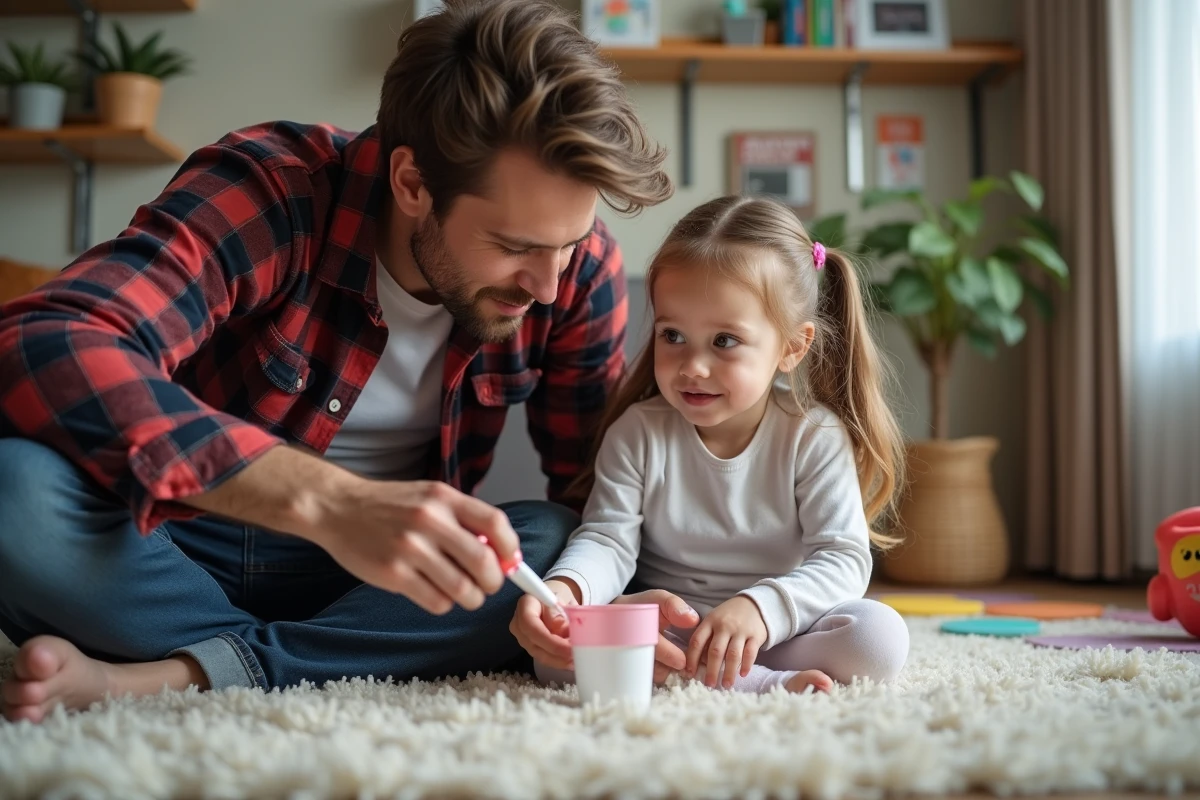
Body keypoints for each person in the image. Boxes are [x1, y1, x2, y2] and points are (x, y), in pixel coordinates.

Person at [0, 0, 673, 724]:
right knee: (14, 493)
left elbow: (594, 487)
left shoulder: (578, 270)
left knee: (548, 537)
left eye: (568, 244)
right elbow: (48, 341)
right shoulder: (273, 186)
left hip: (389, 585)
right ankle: (307, 661)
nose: (547, 286)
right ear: (412, 184)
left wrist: (613, 596)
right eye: (514, 247)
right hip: (181, 545)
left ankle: (179, 673)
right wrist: (331, 503)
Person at [511, 195, 910, 694]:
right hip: (673, 630)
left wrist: (761, 609)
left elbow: (843, 557)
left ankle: (748, 672)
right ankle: (761, 684)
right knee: (559, 655)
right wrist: (565, 590)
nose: (692, 366)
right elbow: (607, 540)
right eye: (672, 335)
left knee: (878, 639)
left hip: (777, 628)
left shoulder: (813, 435)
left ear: (792, 347)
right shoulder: (638, 433)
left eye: (724, 341)